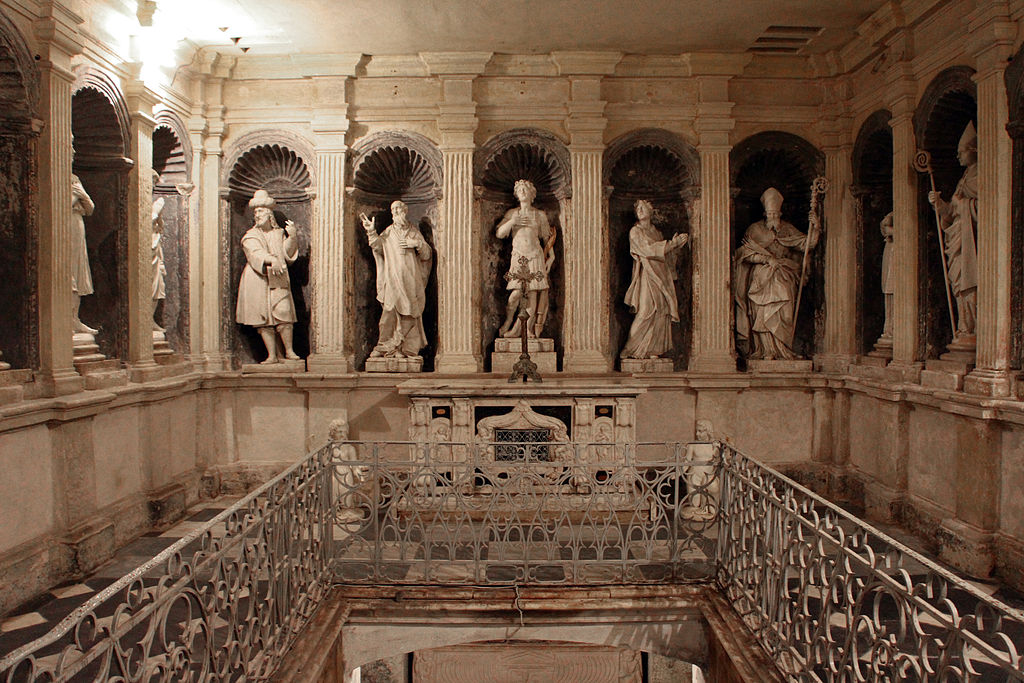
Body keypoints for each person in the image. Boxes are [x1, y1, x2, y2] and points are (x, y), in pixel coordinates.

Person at [733, 187, 820, 360]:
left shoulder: (787, 229)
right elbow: (744, 253)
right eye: (770, 214)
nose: (773, 217)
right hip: (761, 277)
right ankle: (766, 350)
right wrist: (766, 259)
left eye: (775, 214)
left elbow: (807, 244)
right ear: (765, 214)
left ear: (780, 213)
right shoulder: (755, 230)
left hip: (784, 274)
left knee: (785, 312)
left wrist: (816, 227)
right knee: (762, 313)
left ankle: (783, 349)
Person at [360, 200, 433, 358]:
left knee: (409, 312)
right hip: (392, 278)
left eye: (399, 209)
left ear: (405, 212)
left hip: (410, 280)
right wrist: (371, 231)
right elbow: (377, 246)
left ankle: (401, 348)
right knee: (389, 312)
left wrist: (416, 244)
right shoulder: (388, 232)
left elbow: (427, 254)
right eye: (394, 210)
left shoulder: (413, 232)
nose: (396, 212)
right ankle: (384, 345)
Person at [235, 189, 301, 364]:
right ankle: (272, 355)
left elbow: (287, 254)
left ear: (269, 214)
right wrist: (271, 259)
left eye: (261, 211)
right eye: (255, 212)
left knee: (284, 312)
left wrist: (292, 237)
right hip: (258, 278)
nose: (257, 215)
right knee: (263, 317)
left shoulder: (278, 234)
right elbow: (254, 253)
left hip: (278, 278)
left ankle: (289, 351)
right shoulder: (251, 236)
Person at [928, 122, 978, 343]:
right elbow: (951, 213)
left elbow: (985, 209)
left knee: (970, 282)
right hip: (958, 239)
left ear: (974, 151)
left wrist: (962, 205)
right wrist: (939, 204)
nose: (958, 156)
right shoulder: (964, 178)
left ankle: (974, 329)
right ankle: (964, 327)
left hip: (972, 243)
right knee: (958, 282)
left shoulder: (982, 175)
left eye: (961, 152)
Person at [621, 199, 689, 359]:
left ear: (651, 211)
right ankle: (630, 348)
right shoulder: (635, 231)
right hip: (647, 275)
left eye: (643, 207)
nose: (639, 210)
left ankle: (653, 350)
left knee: (661, 311)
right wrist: (671, 244)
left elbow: (666, 257)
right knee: (645, 310)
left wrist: (676, 248)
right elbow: (648, 250)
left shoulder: (657, 233)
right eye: (638, 208)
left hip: (662, 275)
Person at [496, 179, 556, 338]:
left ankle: (525, 330)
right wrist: (512, 222)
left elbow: (547, 238)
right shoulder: (512, 213)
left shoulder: (539, 215)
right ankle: (509, 321)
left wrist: (551, 257)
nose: (522, 191)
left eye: (525, 189)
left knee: (532, 294)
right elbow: (500, 233)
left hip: (535, 256)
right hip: (519, 257)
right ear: (516, 194)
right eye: (519, 189)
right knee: (515, 294)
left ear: (532, 193)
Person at [71, 173, 97, 335]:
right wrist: (75, 196)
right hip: (65, 227)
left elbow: (90, 209)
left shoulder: (74, 179)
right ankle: (68, 318)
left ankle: (75, 318)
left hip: (77, 228)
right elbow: (62, 207)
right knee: (70, 273)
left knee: (79, 272)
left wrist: (83, 194)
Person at [151, 197, 167, 332]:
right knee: (150, 288)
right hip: (148, 260)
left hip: (156, 259)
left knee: (158, 289)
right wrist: (155, 212)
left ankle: (150, 318)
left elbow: (160, 227)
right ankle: (146, 319)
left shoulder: (156, 231)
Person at [879, 211, 894, 341]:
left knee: (893, 291)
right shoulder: (891, 215)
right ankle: (889, 328)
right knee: (888, 291)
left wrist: (893, 231)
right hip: (891, 253)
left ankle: (892, 328)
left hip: (898, 257)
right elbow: (884, 225)